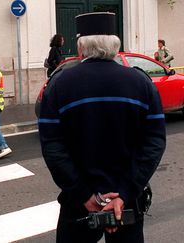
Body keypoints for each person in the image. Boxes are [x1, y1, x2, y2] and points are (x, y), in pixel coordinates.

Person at [38, 12, 166, 243]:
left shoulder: (60, 85)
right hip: (126, 201)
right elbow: (154, 143)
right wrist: (125, 194)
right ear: (115, 47)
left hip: (78, 202)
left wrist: (84, 194)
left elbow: (52, 146)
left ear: (81, 48)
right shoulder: (141, 83)